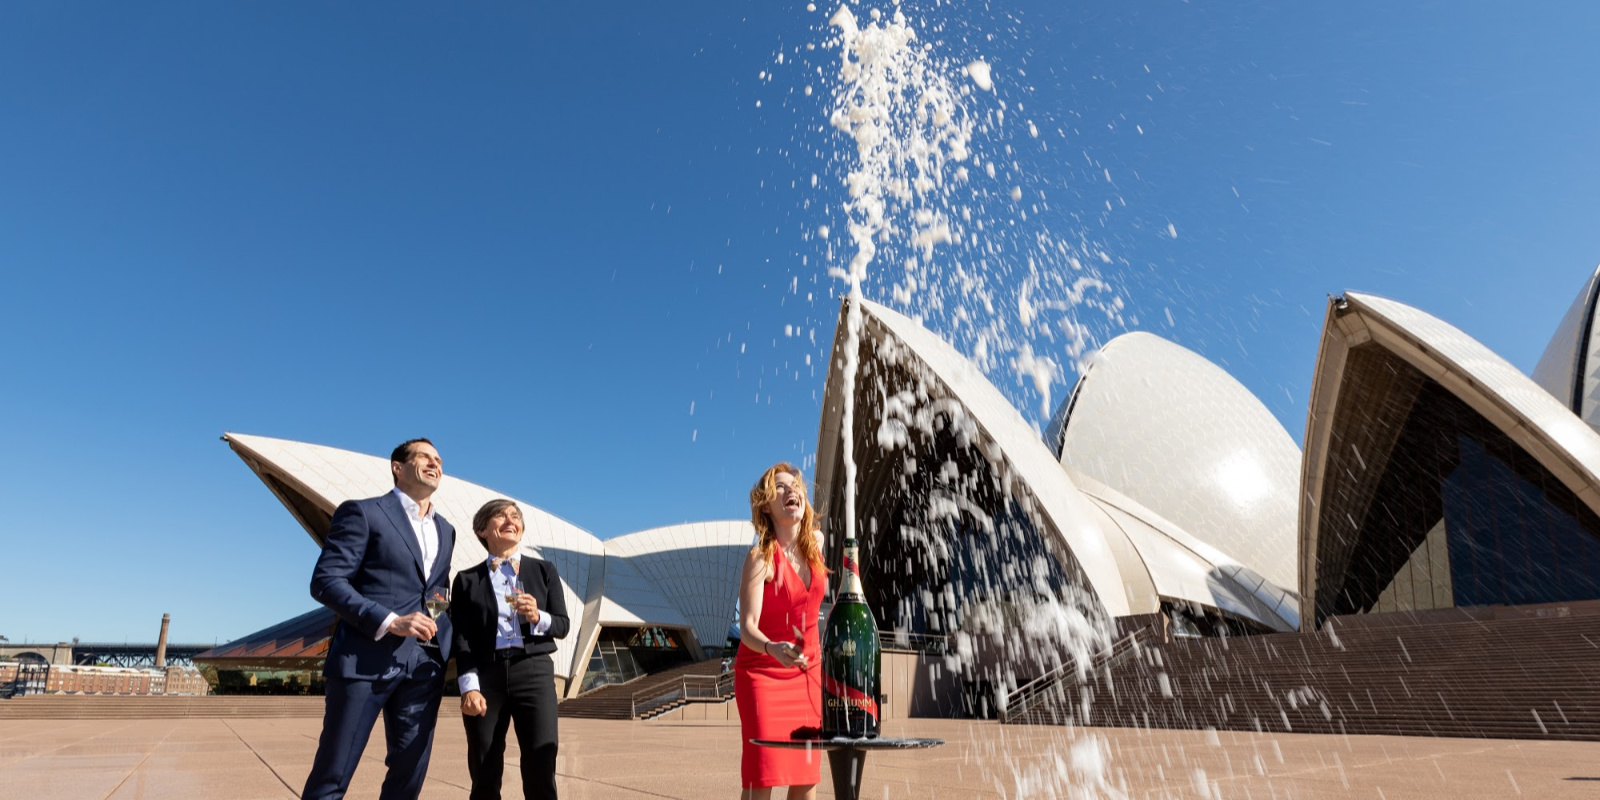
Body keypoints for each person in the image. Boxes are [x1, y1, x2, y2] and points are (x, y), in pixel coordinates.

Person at [302, 438, 456, 800]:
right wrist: (390, 620)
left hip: (423, 668)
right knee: (333, 775)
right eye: (424, 457)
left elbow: (436, 591)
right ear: (397, 467)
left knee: (408, 778)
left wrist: (442, 637)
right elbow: (326, 581)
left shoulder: (446, 529)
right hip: (363, 664)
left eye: (439, 460)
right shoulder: (363, 512)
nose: (435, 464)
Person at [451, 498, 570, 800]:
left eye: (515, 516)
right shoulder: (466, 580)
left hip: (534, 672)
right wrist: (468, 687)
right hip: (486, 676)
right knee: (484, 767)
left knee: (541, 765)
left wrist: (538, 617)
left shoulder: (544, 570)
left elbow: (562, 625)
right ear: (482, 529)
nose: (510, 520)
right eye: (500, 516)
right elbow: (462, 639)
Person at [735, 463, 828, 800]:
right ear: (765, 506)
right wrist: (772, 646)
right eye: (781, 488)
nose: (792, 491)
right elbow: (747, 627)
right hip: (763, 673)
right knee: (762, 779)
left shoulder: (816, 544)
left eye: (795, 487)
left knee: (805, 779)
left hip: (807, 676)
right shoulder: (760, 558)